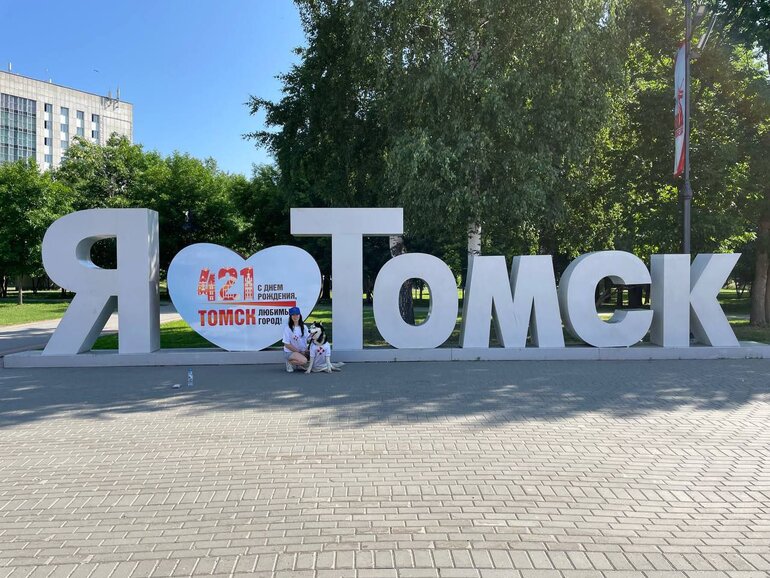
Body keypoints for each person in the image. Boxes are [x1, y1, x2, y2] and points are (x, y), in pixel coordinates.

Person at [282, 306, 309, 372]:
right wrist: (299, 352)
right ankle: (289, 362)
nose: (295, 316)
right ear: (290, 316)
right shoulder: (287, 328)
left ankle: (299, 362)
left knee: (314, 356)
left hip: (303, 351)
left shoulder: (304, 327)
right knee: (304, 361)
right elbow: (287, 345)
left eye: (297, 314)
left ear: (300, 315)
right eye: (293, 315)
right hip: (290, 352)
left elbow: (309, 338)